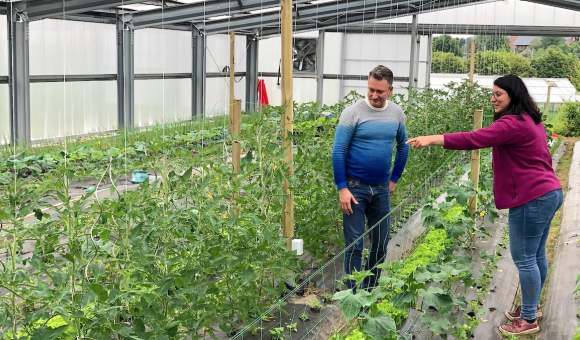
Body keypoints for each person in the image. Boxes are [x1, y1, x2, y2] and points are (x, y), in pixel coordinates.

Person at [406, 74, 562, 336]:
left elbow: (474, 139)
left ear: (513, 95)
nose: (493, 98)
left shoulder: (512, 123)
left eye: (498, 94)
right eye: (493, 93)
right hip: (549, 192)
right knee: (535, 255)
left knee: (525, 259)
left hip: (531, 197)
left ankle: (528, 320)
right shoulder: (531, 120)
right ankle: (531, 309)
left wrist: (433, 138)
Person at [332, 65, 410, 291]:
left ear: (390, 90)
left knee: (380, 242)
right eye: (371, 90)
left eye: (380, 91)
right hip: (355, 187)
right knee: (355, 244)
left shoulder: (396, 113)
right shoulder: (352, 112)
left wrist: (394, 179)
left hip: (382, 188)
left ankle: (370, 289)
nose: (374, 95)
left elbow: (403, 147)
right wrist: (342, 188)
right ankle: (353, 294)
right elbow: (338, 150)